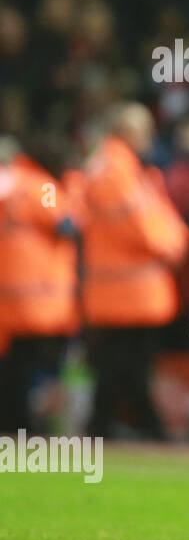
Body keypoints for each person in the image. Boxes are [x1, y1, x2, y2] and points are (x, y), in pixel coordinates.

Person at [82, 104, 189, 439]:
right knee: (128, 363)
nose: (150, 139)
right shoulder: (117, 172)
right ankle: (148, 428)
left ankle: (109, 426)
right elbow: (142, 227)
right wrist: (176, 244)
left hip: (123, 287)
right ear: (128, 133)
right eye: (145, 131)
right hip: (128, 288)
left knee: (119, 363)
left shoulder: (119, 169)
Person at [0, 133, 79, 432]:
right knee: (32, 367)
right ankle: (26, 427)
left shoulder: (9, 183)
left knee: (12, 367)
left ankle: (10, 424)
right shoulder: (40, 185)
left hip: (7, 297)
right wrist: (71, 188)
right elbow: (66, 224)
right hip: (36, 299)